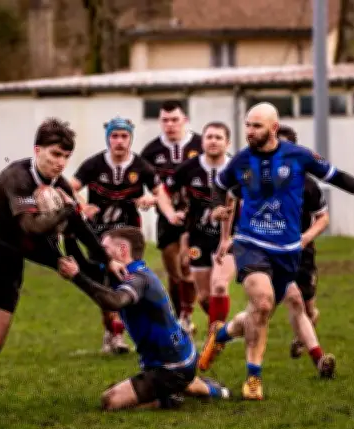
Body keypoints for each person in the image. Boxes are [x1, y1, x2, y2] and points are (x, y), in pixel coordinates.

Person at [0, 118, 128, 423]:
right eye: (55, 154)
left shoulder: (59, 186)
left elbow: (80, 229)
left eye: (66, 157)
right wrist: (66, 209)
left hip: (11, 264)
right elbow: (31, 226)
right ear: (37, 150)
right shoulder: (16, 179)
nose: (60, 163)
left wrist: (105, 259)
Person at [198, 102, 354, 400]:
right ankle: (253, 378)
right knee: (262, 301)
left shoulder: (297, 156)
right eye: (247, 124)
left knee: (261, 311)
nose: (249, 131)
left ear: (273, 128)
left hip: (287, 249)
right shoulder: (242, 160)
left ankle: (220, 335)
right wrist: (218, 208)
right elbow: (219, 185)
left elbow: (334, 175)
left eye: (256, 126)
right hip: (250, 242)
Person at [56, 227, 230, 410]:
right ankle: (203, 388)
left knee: (110, 401)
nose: (101, 253)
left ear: (123, 250)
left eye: (105, 249)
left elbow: (114, 302)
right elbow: (85, 267)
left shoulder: (138, 279)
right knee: (170, 381)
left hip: (170, 367)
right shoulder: (121, 271)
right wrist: (69, 233)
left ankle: (171, 397)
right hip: (178, 356)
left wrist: (76, 277)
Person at [70, 116, 164, 354]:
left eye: (124, 136)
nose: (119, 141)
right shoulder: (94, 164)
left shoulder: (142, 166)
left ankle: (123, 333)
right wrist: (83, 205)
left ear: (130, 138)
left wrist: (149, 199)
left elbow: (159, 193)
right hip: (99, 235)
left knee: (127, 282)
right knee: (105, 284)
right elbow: (68, 187)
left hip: (129, 235)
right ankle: (112, 332)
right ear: (108, 138)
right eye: (114, 136)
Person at [156, 121, 237, 336]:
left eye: (218, 137)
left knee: (220, 285)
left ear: (227, 142)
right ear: (202, 141)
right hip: (197, 241)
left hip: (230, 239)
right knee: (203, 296)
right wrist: (171, 214)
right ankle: (218, 326)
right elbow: (163, 191)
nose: (213, 141)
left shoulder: (238, 169)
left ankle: (214, 339)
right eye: (209, 137)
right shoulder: (188, 168)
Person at [141, 100, 204, 326]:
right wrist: (146, 197)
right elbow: (140, 185)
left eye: (175, 120)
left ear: (185, 120)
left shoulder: (202, 144)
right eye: (165, 120)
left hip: (196, 219)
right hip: (166, 219)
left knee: (189, 266)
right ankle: (180, 316)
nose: (170, 125)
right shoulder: (151, 152)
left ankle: (187, 315)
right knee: (174, 272)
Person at [272, 125, 331, 359]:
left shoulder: (308, 185)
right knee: (286, 300)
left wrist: (306, 237)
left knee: (307, 307)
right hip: (271, 252)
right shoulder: (259, 179)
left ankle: (305, 331)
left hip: (301, 252)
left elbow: (323, 218)